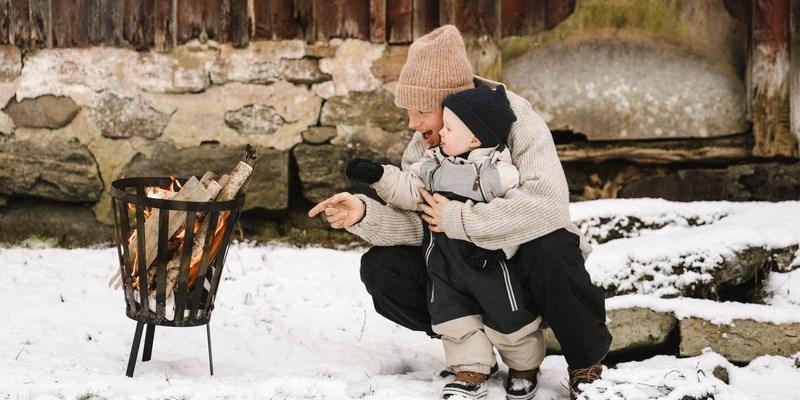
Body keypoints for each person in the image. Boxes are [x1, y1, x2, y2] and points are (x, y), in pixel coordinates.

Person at [308, 25, 612, 400]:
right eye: (409, 112)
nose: (413, 124)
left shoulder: (516, 118)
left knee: (552, 249)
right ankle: (472, 351)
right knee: (381, 269)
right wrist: (364, 214)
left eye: (421, 112)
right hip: (460, 264)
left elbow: (547, 203)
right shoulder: (425, 144)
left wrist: (461, 220)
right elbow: (423, 222)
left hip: (520, 257)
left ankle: (584, 363)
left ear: (453, 103)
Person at [346, 85, 543, 400]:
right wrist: (379, 176)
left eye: (449, 128)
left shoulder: (500, 171)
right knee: (452, 315)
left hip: (490, 262)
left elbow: (509, 201)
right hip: (444, 262)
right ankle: (471, 368)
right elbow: (409, 189)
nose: (442, 133)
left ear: (475, 138)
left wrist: (450, 181)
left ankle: (524, 366)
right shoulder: (432, 163)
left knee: (509, 315)